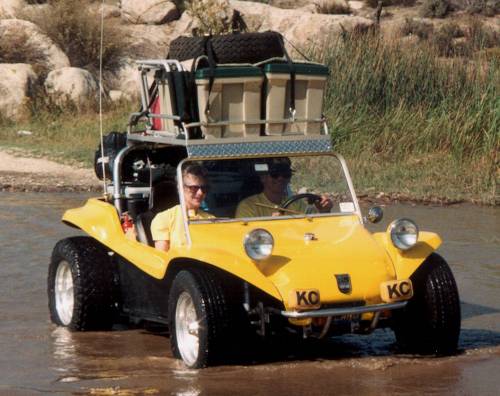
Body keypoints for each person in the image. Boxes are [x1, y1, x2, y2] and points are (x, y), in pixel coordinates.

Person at [235, 158, 332, 218]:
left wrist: (324, 210)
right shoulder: (248, 206)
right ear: (263, 178)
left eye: (285, 173)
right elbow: (247, 238)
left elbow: (314, 224)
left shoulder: (296, 204)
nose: (281, 178)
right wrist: (271, 224)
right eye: (275, 174)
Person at [151, 163, 213, 252]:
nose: (200, 193)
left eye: (203, 188)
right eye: (194, 188)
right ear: (180, 188)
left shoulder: (211, 219)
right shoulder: (163, 219)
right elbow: (162, 259)